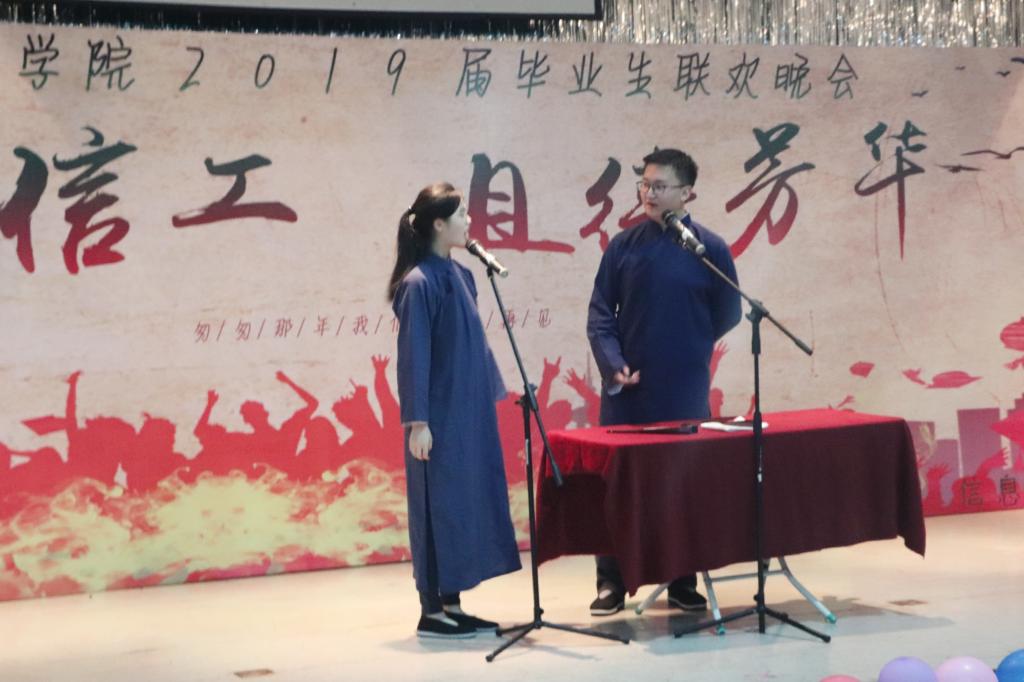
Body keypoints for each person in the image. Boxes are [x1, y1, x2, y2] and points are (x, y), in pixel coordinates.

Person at [585, 148, 742, 616]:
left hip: (683, 389)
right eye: (644, 184)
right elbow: (600, 314)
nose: (648, 193)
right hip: (629, 390)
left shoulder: (709, 249)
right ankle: (611, 582)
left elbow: (729, 311)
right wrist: (613, 363)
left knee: (682, 486)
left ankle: (682, 580)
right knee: (618, 487)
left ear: (686, 192)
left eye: (659, 186)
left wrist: (690, 344)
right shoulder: (623, 247)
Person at [388, 182, 522, 639]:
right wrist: (418, 423)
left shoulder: (463, 275)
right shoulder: (418, 283)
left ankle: (453, 603)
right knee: (436, 507)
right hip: (438, 419)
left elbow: (474, 344)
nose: (469, 222)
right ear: (439, 224)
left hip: (468, 413)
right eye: (462, 214)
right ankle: (431, 610)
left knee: (463, 506)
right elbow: (414, 357)